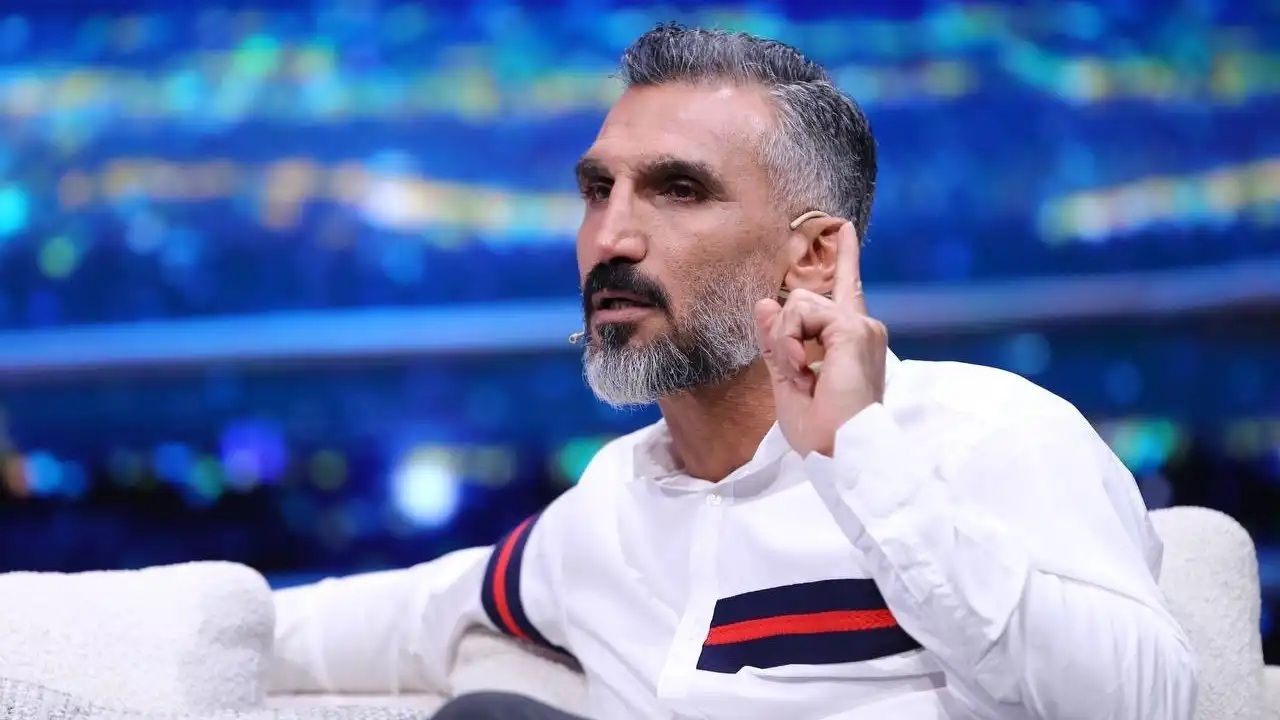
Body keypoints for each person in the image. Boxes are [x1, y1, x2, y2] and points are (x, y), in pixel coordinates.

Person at [271, 24, 1197, 719]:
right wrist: (206, 615)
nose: (612, 237)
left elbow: (1153, 702)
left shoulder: (988, 434)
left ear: (813, 256)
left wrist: (860, 456)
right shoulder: (602, 514)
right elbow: (394, 618)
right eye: (597, 190)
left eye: (678, 190)